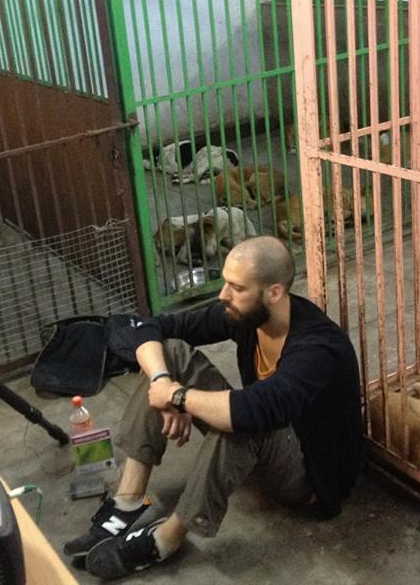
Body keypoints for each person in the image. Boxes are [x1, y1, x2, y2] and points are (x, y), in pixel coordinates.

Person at [65, 236, 362, 579]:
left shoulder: (317, 346)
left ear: (274, 293)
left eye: (237, 288)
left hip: (311, 478)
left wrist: (177, 397)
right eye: (225, 282)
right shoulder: (246, 315)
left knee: (243, 418)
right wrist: (163, 383)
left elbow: (255, 410)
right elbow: (151, 327)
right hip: (265, 445)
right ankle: (128, 502)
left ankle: (164, 540)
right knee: (170, 353)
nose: (223, 295)